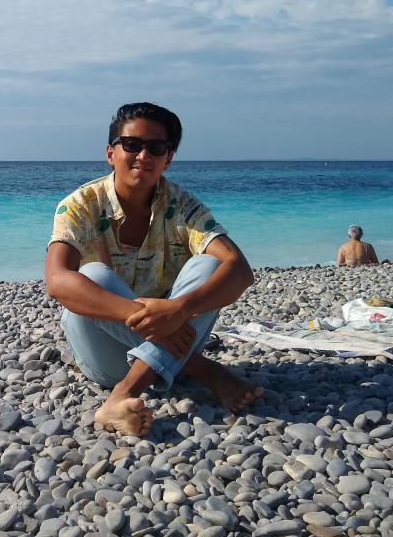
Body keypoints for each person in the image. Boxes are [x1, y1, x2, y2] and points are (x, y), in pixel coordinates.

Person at [45, 102, 263, 436]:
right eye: (131, 145)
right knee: (94, 276)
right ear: (110, 152)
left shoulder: (183, 206)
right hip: (109, 354)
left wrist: (179, 308)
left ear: (168, 157)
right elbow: (58, 281)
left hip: (177, 332)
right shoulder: (80, 205)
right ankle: (205, 371)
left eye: (156, 147)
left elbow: (240, 271)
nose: (143, 155)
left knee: (209, 264)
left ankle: (123, 395)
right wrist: (155, 323)